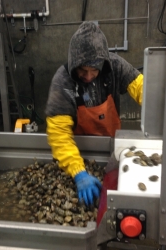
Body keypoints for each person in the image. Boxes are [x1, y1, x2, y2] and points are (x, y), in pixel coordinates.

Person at [45, 21, 143, 206]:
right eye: (82, 70)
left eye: (94, 70)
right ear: (74, 64)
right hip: (78, 153)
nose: (88, 76)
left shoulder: (115, 66)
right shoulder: (63, 81)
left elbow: (143, 88)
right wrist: (79, 172)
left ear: (103, 64)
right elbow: (59, 134)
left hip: (113, 150)